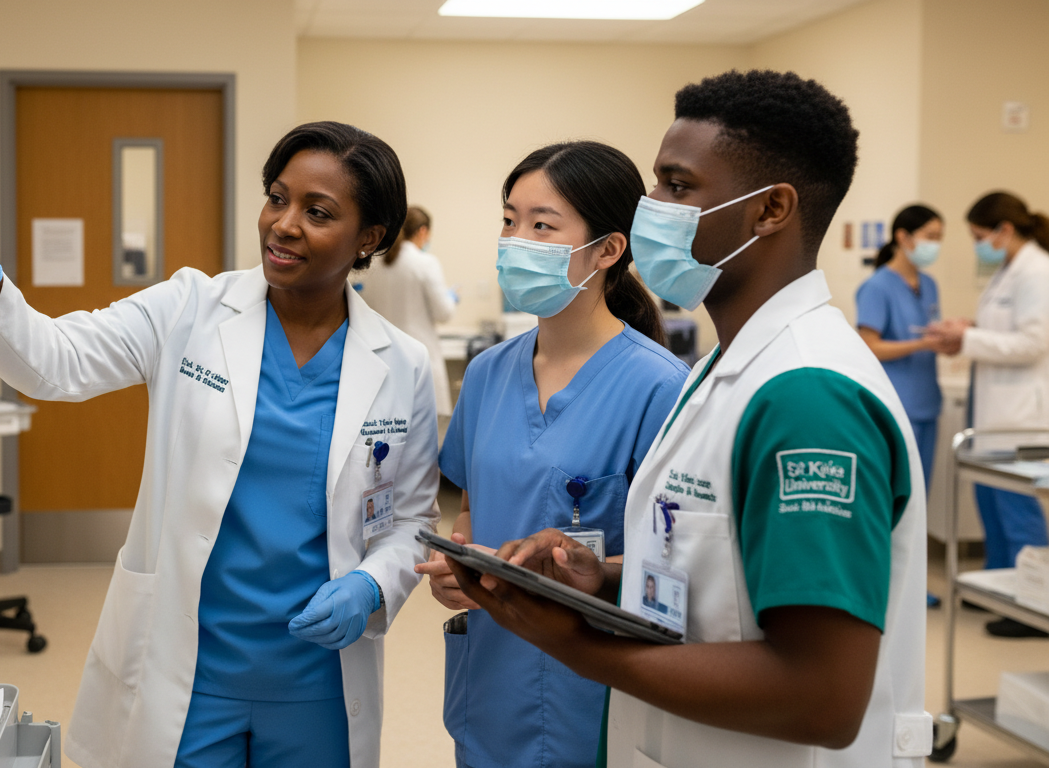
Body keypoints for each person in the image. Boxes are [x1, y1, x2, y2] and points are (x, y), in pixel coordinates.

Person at [0, 120, 441, 768]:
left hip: (319, 677)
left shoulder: (401, 364)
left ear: (370, 237)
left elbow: (411, 518)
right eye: (276, 197)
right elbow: (56, 363)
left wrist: (373, 586)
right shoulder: (191, 307)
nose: (283, 223)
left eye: (317, 212)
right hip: (190, 667)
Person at [449, 70, 931, 767]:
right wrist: (603, 575)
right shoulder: (728, 372)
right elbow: (718, 575)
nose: (651, 209)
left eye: (677, 187)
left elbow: (821, 695)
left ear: (770, 210)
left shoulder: (808, 396)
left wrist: (575, 645)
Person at [414, 141, 688, 768]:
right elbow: (473, 511)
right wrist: (459, 566)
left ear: (608, 249)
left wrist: (575, 563)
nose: (516, 241)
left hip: (587, 682)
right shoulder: (486, 375)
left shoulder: (659, 387)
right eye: (509, 220)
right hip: (489, 675)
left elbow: (675, 560)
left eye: (542, 225)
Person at [926, 191, 1049, 637]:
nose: (980, 245)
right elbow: (1004, 331)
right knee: (990, 503)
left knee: (1016, 506)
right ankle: (999, 588)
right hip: (993, 405)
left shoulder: (1037, 271)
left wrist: (969, 342)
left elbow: (1034, 343)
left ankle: (1032, 605)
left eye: (980, 236)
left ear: (1005, 230)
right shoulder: (1009, 272)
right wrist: (968, 331)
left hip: (1019, 413)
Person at [854, 204, 945, 608]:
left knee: (919, 499)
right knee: (892, 500)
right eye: (930, 235)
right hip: (895, 406)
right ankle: (886, 585)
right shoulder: (877, 286)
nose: (935, 245)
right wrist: (923, 343)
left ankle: (913, 584)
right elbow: (869, 345)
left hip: (926, 403)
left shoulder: (929, 285)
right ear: (904, 237)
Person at [356, 205, 458, 416]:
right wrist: (451, 298)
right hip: (419, 362)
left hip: (382, 361)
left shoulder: (375, 262)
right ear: (422, 231)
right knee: (426, 436)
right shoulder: (425, 262)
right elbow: (444, 313)